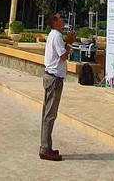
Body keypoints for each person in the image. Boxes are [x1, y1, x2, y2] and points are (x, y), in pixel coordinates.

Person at [39, 13, 75, 162]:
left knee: (47, 113)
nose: (63, 20)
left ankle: (46, 146)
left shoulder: (54, 36)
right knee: (50, 114)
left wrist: (67, 41)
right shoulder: (57, 36)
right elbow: (63, 56)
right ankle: (45, 148)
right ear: (54, 22)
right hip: (54, 79)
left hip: (51, 77)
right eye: (60, 18)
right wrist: (70, 42)